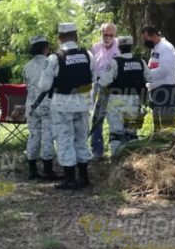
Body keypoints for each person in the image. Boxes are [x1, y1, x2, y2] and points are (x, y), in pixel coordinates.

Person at [38, 22, 94, 190]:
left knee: (65, 140)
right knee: (81, 139)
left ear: (60, 38)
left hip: (62, 105)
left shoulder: (55, 58)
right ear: (76, 36)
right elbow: (93, 78)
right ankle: (84, 177)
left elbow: (43, 86)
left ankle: (70, 179)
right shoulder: (88, 55)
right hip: (83, 104)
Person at [98, 36, 147, 155]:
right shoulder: (140, 62)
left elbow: (104, 82)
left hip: (116, 101)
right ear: (131, 47)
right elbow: (149, 78)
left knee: (116, 134)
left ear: (119, 47)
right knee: (132, 134)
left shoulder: (115, 62)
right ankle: (134, 159)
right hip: (134, 102)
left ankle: (116, 161)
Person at [23, 35, 57, 180]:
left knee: (33, 135)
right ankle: (48, 170)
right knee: (47, 136)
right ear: (45, 48)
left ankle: (32, 170)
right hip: (47, 105)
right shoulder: (51, 63)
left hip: (31, 106)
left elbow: (26, 85)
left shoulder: (27, 66)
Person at [139, 26, 175, 130]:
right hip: (156, 90)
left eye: (145, 39)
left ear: (153, 36)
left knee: (167, 125)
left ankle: (170, 144)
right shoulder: (156, 48)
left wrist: (146, 75)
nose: (144, 42)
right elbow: (154, 66)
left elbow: (164, 69)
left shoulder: (165, 48)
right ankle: (160, 144)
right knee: (158, 126)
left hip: (165, 89)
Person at [89, 23, 119, 159]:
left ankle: (117, 150)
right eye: (105, 35)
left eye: (111, 35)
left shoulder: (120, 46)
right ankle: (97, 151)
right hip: (98, 86)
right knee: (96, 119)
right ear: (101, 33)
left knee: (116, 118)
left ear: (115, 35)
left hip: (115, 87)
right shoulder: (95, 47)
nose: (107, 38)